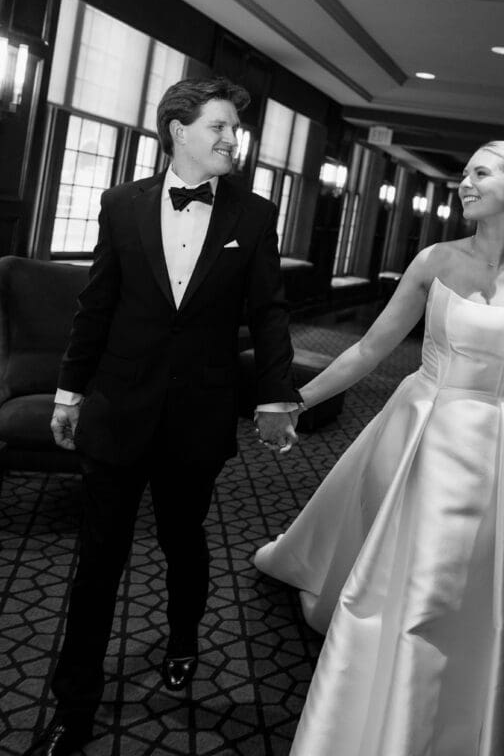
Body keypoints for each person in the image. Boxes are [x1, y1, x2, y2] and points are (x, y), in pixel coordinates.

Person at [254, 140, 504, 756]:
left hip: (502, 444)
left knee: (478, 573)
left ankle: (476, 679)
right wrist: (295, 402)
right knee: (415, 566)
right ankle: (392, 684)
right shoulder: (433, 260)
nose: (464, 183)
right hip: (421, 427)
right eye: (465, 172)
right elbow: (368, 349)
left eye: (480, 173)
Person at [27, 78, 302, 756]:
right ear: (178, 130)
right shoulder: (121, 204)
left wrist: (275, 396)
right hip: (119, 407)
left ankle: (182, 639)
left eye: (234, 129)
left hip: (198, 414)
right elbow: (96, 303)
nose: (231, 139)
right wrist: (69, 392)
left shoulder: (253, 214)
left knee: (183, 540)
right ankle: (74, 707)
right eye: (219, 127)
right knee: (99, 560)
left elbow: (269, 312)